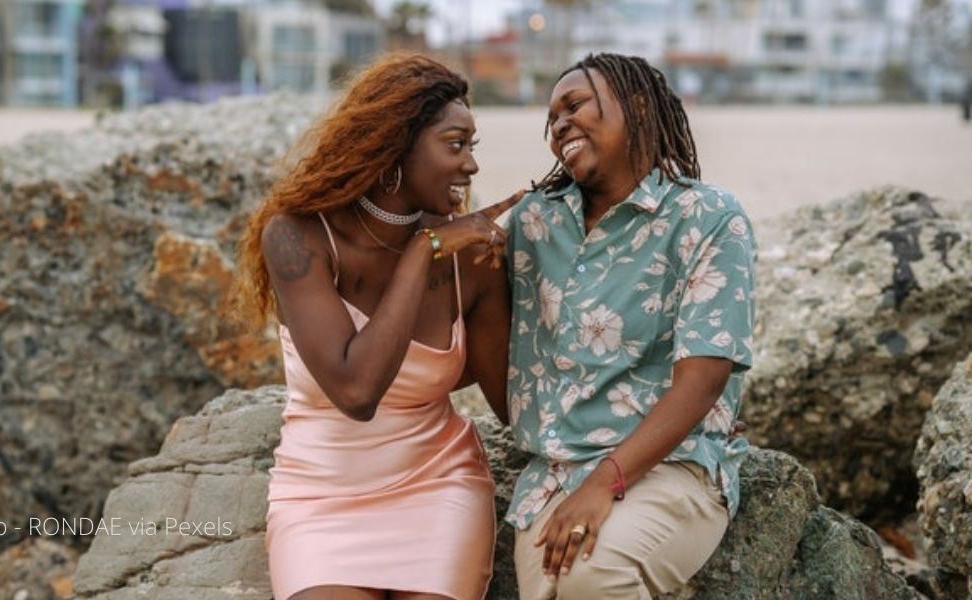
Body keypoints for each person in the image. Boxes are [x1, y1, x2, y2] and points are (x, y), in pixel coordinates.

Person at [234, 53, 519, 600]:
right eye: (456, 144)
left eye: (472, 147)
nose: (471, 166)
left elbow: (511, 403)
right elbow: (357, 389)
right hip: (321, 497)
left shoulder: (473, 259)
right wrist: (424, 250)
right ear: (397, 147)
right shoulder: (297, 237)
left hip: (437, 488)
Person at [503, 52, 757, 599]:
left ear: (637, 105)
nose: (560, 125)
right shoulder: (533, 224)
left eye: (575, 105)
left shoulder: (708, 217)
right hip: (551, 478)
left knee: (593, 573)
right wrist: (442, 244)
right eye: (552, 120)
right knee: (555, 584)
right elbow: (476, 325)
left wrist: (603, 483)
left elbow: (703, 378)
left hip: (672, 467)